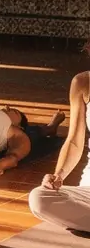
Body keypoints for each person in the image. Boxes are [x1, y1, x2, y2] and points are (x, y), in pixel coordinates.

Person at [30, 63, 88, 230]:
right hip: (88, 193)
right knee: (39, 199)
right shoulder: (83, 82)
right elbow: (75, 141)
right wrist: (59, 175)